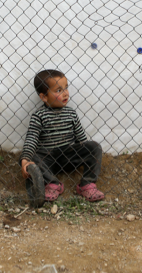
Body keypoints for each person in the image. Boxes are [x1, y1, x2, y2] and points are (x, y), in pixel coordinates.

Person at [19, 69, 104, 203]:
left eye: (66, 88)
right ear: (44, 97)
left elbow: (81, 140)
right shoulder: (39, 116)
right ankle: (53, 184)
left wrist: (86, 152)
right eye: (58, 90)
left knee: (94, 147)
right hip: (48, 159)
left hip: (69, 156)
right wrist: (25, 159)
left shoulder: (71, 114)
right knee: (30, 156)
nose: (65, 93)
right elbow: (31, 139)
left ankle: (87, 184)